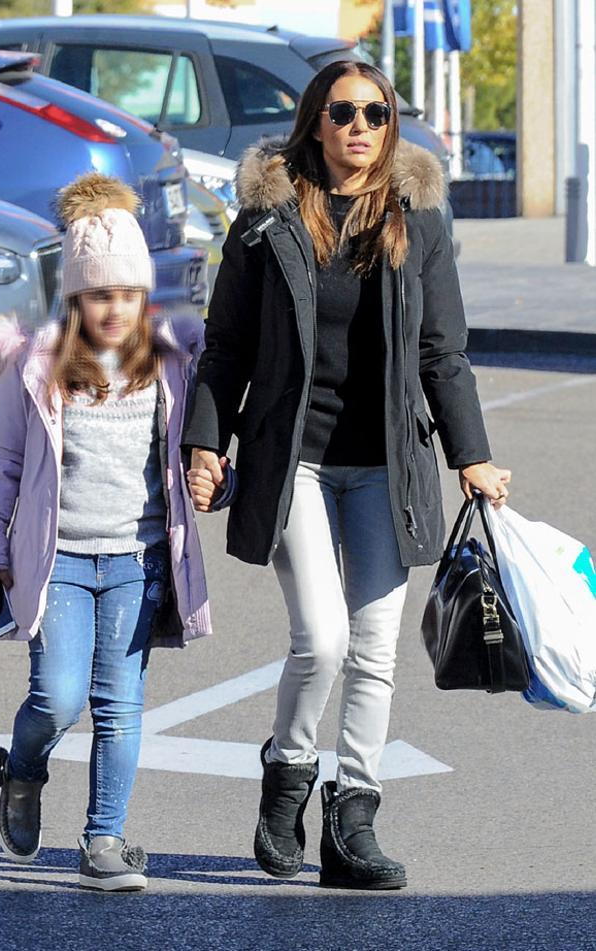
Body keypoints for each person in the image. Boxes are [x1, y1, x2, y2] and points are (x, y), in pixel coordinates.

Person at [182, 60, 511, 890]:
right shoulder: (268, 220)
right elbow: (224, 347)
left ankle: (353, 817)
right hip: (295, 458)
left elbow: (443, 350)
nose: (360, 126)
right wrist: (205, 441)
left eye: (375, 112)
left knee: (375, 650)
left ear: (389, 125)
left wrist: (470, 453)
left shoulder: (418, 219)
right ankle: (286, 770)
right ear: (315, 124)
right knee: (321, 637)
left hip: (386, 464)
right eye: (343, 112)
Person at [0, 173, 233, 892]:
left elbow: (199, 453)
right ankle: (22, 770)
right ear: (74, 298)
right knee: (56, 697)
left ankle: (104, 838)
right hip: (60, 565)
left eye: (125, 294)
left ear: (143, 295)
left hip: (137, 562)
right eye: (96, 294)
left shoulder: (174, 364)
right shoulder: (36, 367)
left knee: (121, 704)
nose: (112, 308)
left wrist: (218, 477)